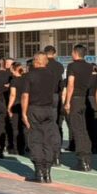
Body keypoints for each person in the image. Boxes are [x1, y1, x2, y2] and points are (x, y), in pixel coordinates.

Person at [22, 52, 60, 183]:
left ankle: (39, 172)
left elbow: (25, 95)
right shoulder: (51, 75)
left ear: (36, 61)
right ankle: (47, 172)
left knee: (35, 139)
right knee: (47, 139)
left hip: (35, 108)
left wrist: (23, 113)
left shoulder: (30, 75)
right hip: (48, 109)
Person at [63, 44, 95, 171]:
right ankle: (87, 158)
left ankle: (82, 161)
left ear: (75, 53)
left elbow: (70, 84)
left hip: (75, 99)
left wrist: (67, 102)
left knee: (77, 130)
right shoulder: (89, 66)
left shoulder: (72, 66)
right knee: (83, 130)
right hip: (84, 98)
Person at [6, 62, 28, 156]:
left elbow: (12, 95)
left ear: (15, 70)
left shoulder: (14, 81)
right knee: (25, 126)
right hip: (25, 104)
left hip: (16, 105)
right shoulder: (26, 79)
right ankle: (25, 146)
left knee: (15, 127)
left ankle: (16, 148)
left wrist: (9, 107)